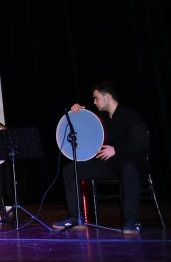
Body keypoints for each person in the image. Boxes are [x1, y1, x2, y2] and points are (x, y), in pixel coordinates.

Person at [52, 82, 150, 234]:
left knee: (128, 167)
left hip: (133, 164)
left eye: (96, 98)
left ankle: (131, 221)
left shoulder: (129, 116)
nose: (94, 102)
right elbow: (86, 124)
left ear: (107, 97)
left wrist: (116, 150)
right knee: (70, 169)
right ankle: (75, 217)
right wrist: (78, 112)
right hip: (110, 165)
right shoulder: (101, 118)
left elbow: (143, 144)